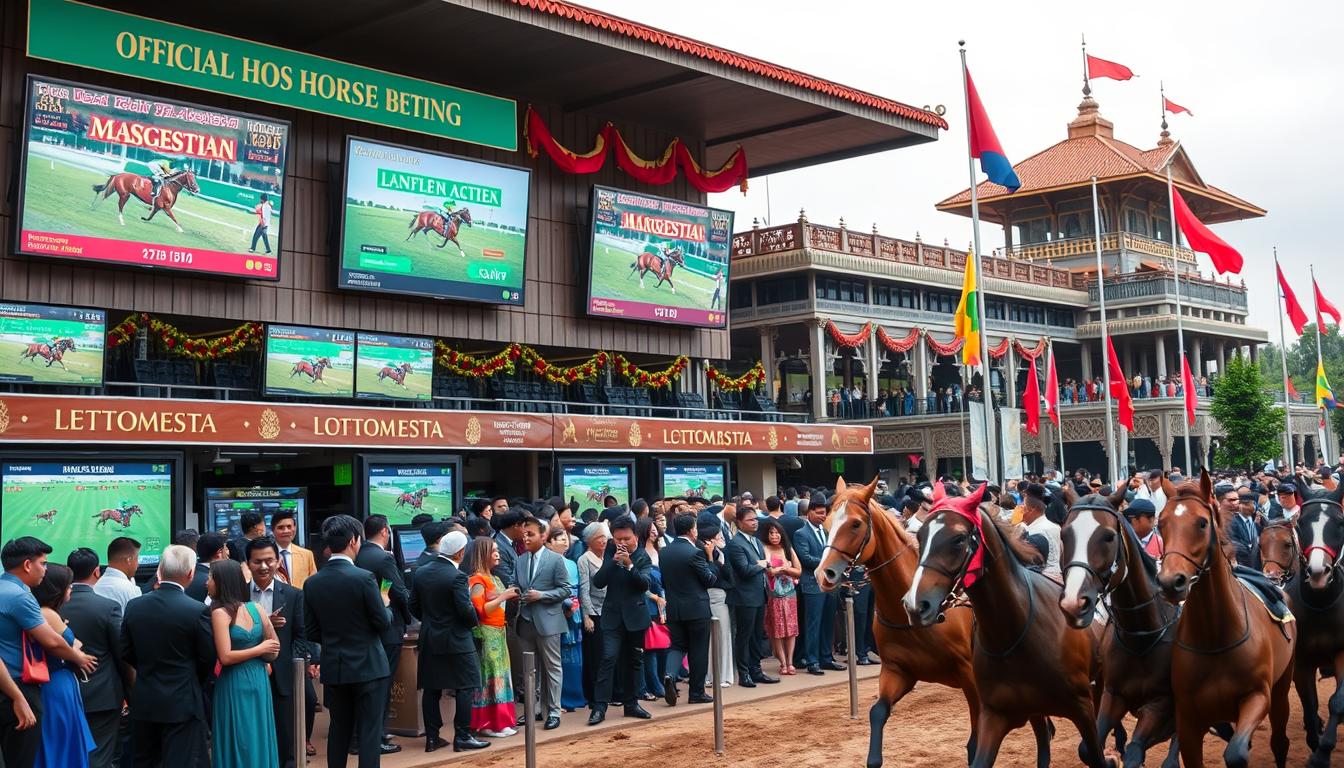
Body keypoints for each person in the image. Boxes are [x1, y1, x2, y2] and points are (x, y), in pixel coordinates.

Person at [302, 515, 390, 768]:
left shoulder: (313, 583)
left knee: (339, 730)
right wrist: (386, 606)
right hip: (369, 665)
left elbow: (311, 630)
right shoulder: (364, 578)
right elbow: (382, 623)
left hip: (335, 665)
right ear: (353, 541)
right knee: (369, 733)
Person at [121, 544, 214, 767]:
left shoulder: (135, 606)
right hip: (183, 700)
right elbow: (208, 658)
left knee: (144, 760)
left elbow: (125, 651)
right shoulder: (196, 610)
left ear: (159, 570)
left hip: (145, 697)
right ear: (190, 574)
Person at [410, 531, 488, 753]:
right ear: (461, 553)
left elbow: (412, 605)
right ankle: (462, 736)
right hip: (458, 639)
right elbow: (465, 610)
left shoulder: (421, 572)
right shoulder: (458, 577)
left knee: (431, 688)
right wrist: (474, 621)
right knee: (465, 686)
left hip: (430, 637)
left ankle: (432, 738)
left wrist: (430, 621)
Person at [60, 548, 130, 768]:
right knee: (99, 756)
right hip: (102, 695)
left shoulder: (50, 608)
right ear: (96, 572)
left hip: (64, 694)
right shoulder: (107, 607)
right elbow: (122, 654)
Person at [208, 558, 279, 768]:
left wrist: (264, 652)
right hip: (255, 676)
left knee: (242, 736)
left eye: (211, 577)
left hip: (236, 680)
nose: (207, 582)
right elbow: (271, 646)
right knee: (255, 734)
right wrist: (261, 652)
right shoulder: (257, 608)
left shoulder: (220, 613)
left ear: (223, 582)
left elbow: (226, 657)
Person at [245, 538, 309, 768]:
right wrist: (264, 625)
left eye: (269, 560)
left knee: (285, 733)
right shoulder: (239, 595)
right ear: (248, 563)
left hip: (283, 674)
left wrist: (294, 666)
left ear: (278, 561)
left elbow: (301, 635)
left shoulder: (293, 595)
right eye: (257, 561)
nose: (264, 566)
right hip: (248, 673)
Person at [588, 517, 653, 725]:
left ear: (635, 536)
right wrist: (614, 562)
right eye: (618, 539)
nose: (623, 543)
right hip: (612, 616)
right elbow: (598, 582)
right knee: (608, 658)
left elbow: (643, 585)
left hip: (636, 616)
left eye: (627, 538)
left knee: (634, 661)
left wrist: (630, 565)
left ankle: (631, 703)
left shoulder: (643, 556)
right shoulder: (610, 552)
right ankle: (599, 707)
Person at [353, 514, 410, 756]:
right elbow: (398, 593)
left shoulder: (357, 556)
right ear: (385, 532)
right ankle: (374, 738)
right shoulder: (384, 559)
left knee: (364, 687)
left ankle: (361, 736)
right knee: (381, 687)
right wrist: (408, 618)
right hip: (387, 630)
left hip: (362, 630)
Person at [32, 563, 95, 768]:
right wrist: (77, 655)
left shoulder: (43, 612)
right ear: (56, 590)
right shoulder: (47, 613)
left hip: (56, 682)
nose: (71, 589)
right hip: (55, 684)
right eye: (68, 586)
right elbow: (72, 646)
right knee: (61, 745)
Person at [513, 517, 571, 731]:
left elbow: (566, 589)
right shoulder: (520, 560)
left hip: (549, 621)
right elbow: (515, 584)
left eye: (531, 534)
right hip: (525, 620)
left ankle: (554, 711)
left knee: (552, 667)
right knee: (530, 669)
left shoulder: (555, 560)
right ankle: (533, 710)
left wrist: (542, 595)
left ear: (543, 536)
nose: (526, 538)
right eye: (524, 534)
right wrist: (515, 594)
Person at [659, 513, 722, 706]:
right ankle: (696, 692)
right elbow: (710, 579)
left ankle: (669, 675)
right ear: (691, 530)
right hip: (696, 608)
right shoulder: (695, 552)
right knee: (698, 650)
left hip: (674, 608)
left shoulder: (664, 552)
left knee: (677, 645)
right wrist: (711, 558)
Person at [462, 536, 518, 738]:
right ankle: (488, 723)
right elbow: (481, 609)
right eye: (493, 551)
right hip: (486, 634)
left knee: (501, 676)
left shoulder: (494, 578)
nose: (497, 554)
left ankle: (500, 721)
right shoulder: (477, 580)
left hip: (498, 632)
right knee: (490, 678)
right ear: (482, 554)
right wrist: (504, 596)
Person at [725, 506, 776, 687]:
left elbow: (761, 566)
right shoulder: (735, 544)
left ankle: (756, 670)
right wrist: (762, 564)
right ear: (739, 522)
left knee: (756, 635)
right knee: (744, 636)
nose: (755, 522)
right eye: (750, 519)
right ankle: (744, 673)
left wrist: (765, 566)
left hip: (759, 594)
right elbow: (745, 570)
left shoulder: (755, 541)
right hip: (744, 597)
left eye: (756, 519)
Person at [794, 504, 843, 675]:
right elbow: (805, 559)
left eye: (825, 513)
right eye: (819, 513)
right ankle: (812, 660)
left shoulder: (826, 532)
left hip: (829, 583)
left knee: (828, 621)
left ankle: (826, 658)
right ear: (809, 513)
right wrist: (827, 562)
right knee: (813, 624)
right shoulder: (801, 534)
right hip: (812, 584)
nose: (823, 516)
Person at [546, 529, 585, 712]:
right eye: (560, 539)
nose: (565, 541)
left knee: (575, 658)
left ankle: (576, 696)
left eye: (565, 538)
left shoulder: (572, 563)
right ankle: (559, 699)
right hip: (558, 609)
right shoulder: (547, 563)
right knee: (559, 658)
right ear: (549, 543)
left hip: (575, 610)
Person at [758, 518, 801, 675]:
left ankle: (790, 662)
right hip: (773, 595)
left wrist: (783, 570)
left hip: (790, 595)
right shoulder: (764, 549)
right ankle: (782, 662)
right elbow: (767, 570)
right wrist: (784, 568)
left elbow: (798, 571)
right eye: (771, 533)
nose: (775, 536)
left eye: (777, 532)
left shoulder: (788, 548)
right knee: (776, 630)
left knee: (791, 629)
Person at [576, 522, 608, 708]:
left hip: (609, 611)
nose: (603, 540)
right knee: (595, 657)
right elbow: (584, 590)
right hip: (594, 613)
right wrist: (587, 615)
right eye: (598, 537)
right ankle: (594, 697)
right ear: (589, 541)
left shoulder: (608, 557)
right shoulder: (584, 559)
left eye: (604, 536)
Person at [1020, 484, 1061, 577]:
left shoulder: (1033, 531)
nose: (1021, 511)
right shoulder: (1055, 527)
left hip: (1041, 579)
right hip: (1057, 575)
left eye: (1023, 508)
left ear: (1031, 510)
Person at [94, 537, 141, 612]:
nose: (138, 564)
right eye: (137, 558)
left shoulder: (94, 586)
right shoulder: (132, 591)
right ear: (129, 560)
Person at [271, 511, 317, 587]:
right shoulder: (265, 555)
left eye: (289, 527)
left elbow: (313, 583)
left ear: (295, 528)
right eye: (280, 527)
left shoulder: (307, 554)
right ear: (273, 530)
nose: (286, 531)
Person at [1229, 490, 1264, 568]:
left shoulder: (1256, 519)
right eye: (1248, 504)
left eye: (1253, 504)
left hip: (1257, 564)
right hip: (1242, 565)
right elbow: (1233, 541)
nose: (1252, 507)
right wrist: (1248, 548)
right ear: (1240, 506)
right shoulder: (1233, 522)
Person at [188, 533, 227, 601]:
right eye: (226, 549)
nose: (228, 553)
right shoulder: (218, 580)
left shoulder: (186, 575)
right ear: (219, 553)